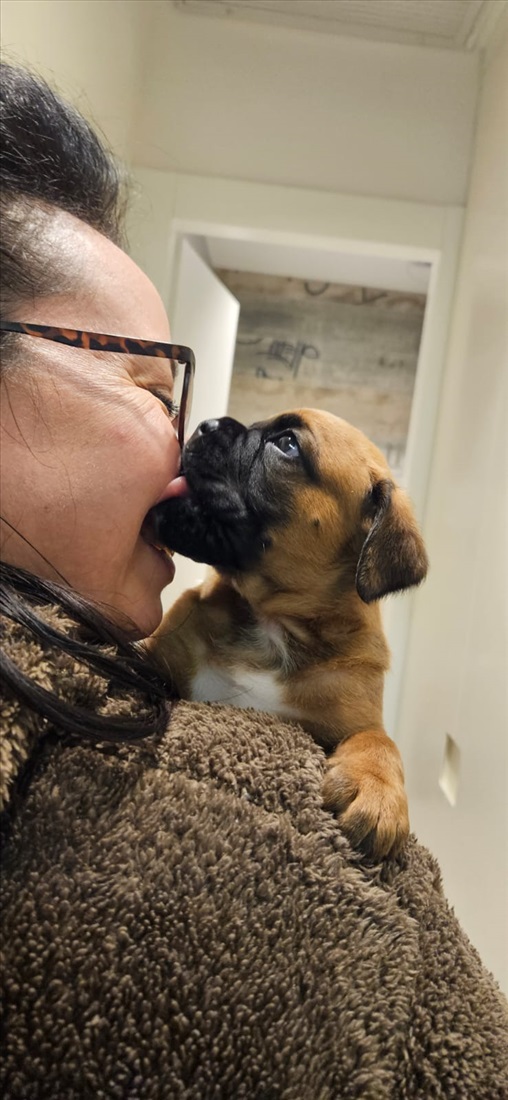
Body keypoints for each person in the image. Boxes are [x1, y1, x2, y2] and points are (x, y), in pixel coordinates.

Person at [0, 64, 506, 1100]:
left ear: (367, 547)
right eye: (149, 380)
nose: (194, 428)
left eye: (284, 444)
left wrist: (376, 758)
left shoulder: (342, 666)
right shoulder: (194, 618)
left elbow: (360, 740)